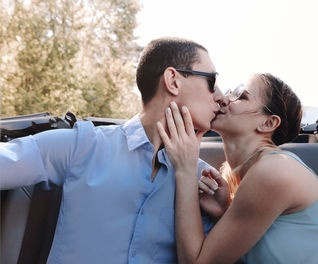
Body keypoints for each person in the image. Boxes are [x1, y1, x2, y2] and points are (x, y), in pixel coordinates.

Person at [0, 37, 224, 263]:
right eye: (212, 82)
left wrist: (222, 215)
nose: (221, 97)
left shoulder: (203, 181)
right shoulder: (82, 146)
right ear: (173, 80)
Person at [157, 73, 318, 263]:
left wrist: (185, 169)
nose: (223, 99)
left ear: (268, 123)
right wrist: (222, 213)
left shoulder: (274, 170)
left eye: (241, 96)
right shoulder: (247, 173)